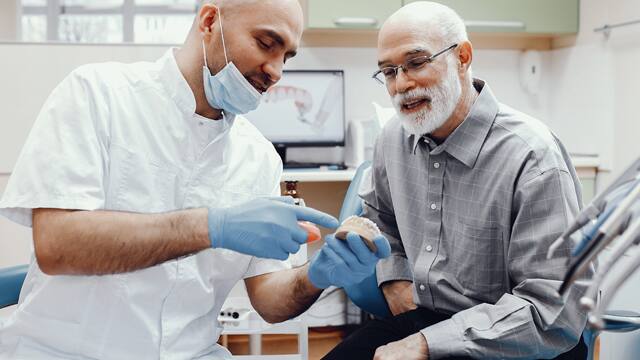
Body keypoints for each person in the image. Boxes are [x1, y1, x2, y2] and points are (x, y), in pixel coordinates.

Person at [0, 0, 390, 358]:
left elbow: (269, 300)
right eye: (266, 43)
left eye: (286, 56)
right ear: (209, 21)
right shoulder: (98, 95)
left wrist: (316, 276)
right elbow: (58, 244)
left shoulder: (258, 158)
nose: (276, 71)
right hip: (64, 351)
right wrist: (212, 226)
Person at [323, 2, 591, 359]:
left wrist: (426, 344)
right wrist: (395, 277)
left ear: (462, 57)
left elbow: (554, 311)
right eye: (389, 71)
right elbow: (378, 217)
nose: (401, 84)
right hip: (430, 319)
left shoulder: (533, 156)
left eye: (416, 63)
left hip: (522, 339)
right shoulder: (393, 137)